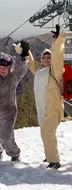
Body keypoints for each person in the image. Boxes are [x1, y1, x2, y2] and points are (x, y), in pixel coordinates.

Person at [18, 24, 66, 169]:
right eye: (44, 57)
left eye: (48, 57)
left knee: (47, 131)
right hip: (42, 108)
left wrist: (58, 41)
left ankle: (54, 161)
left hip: (53, 107)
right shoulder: (40, 70)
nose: (46, 59)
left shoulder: (55, 70)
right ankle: (49, 155)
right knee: (45, 133)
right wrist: (26, 51)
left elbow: (58, 56)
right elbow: (31, 64)